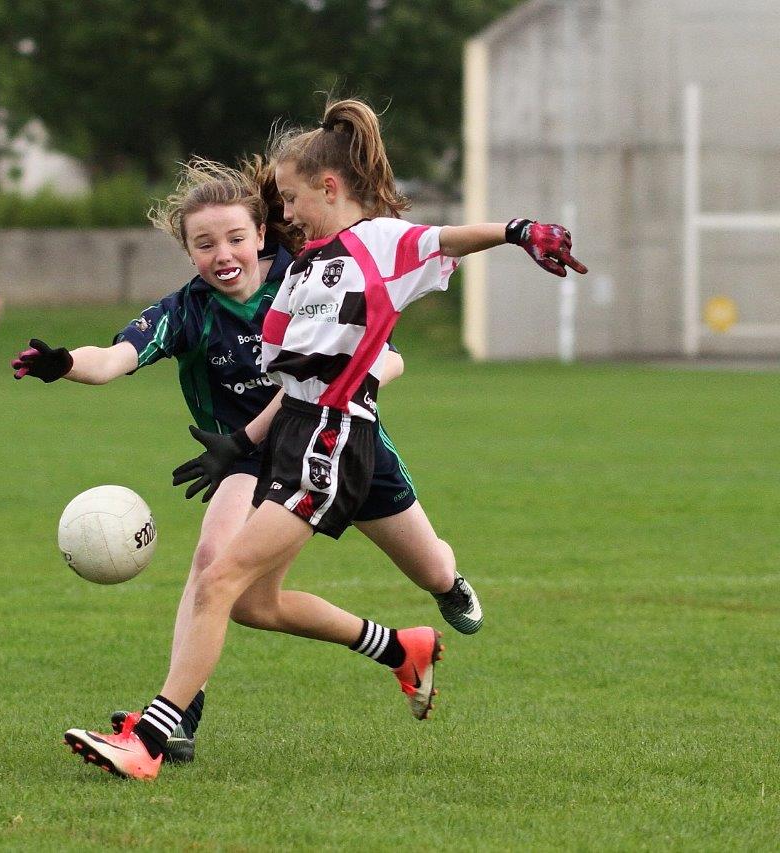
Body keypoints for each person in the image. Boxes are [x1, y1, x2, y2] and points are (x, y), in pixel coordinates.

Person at [58, 98, 587, 779]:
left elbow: (444, 239)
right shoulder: (303, 268)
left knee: (223, 577)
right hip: (296, 442)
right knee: (241, 595)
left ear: (329, 189)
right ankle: (402, 649)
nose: (286, 215)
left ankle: (154, 739)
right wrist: (240, 443)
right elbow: (294, 384)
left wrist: (518, 230)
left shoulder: (373, 241)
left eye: (293, 200)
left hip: (333, 444)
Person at [15, 155, 481, 765]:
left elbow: (388, 358)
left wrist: (346, 383)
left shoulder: (314, 275)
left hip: (339, 445)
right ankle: (175, 721)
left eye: (236, 237)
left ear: (262, 233)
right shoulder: (187, 311)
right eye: (204, 244)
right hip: (243, 458)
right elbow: (113, 358)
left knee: (431, 569)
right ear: (189, 253)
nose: (223, 254)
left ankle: (415, 633)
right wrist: (66, 364)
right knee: (218, 572)